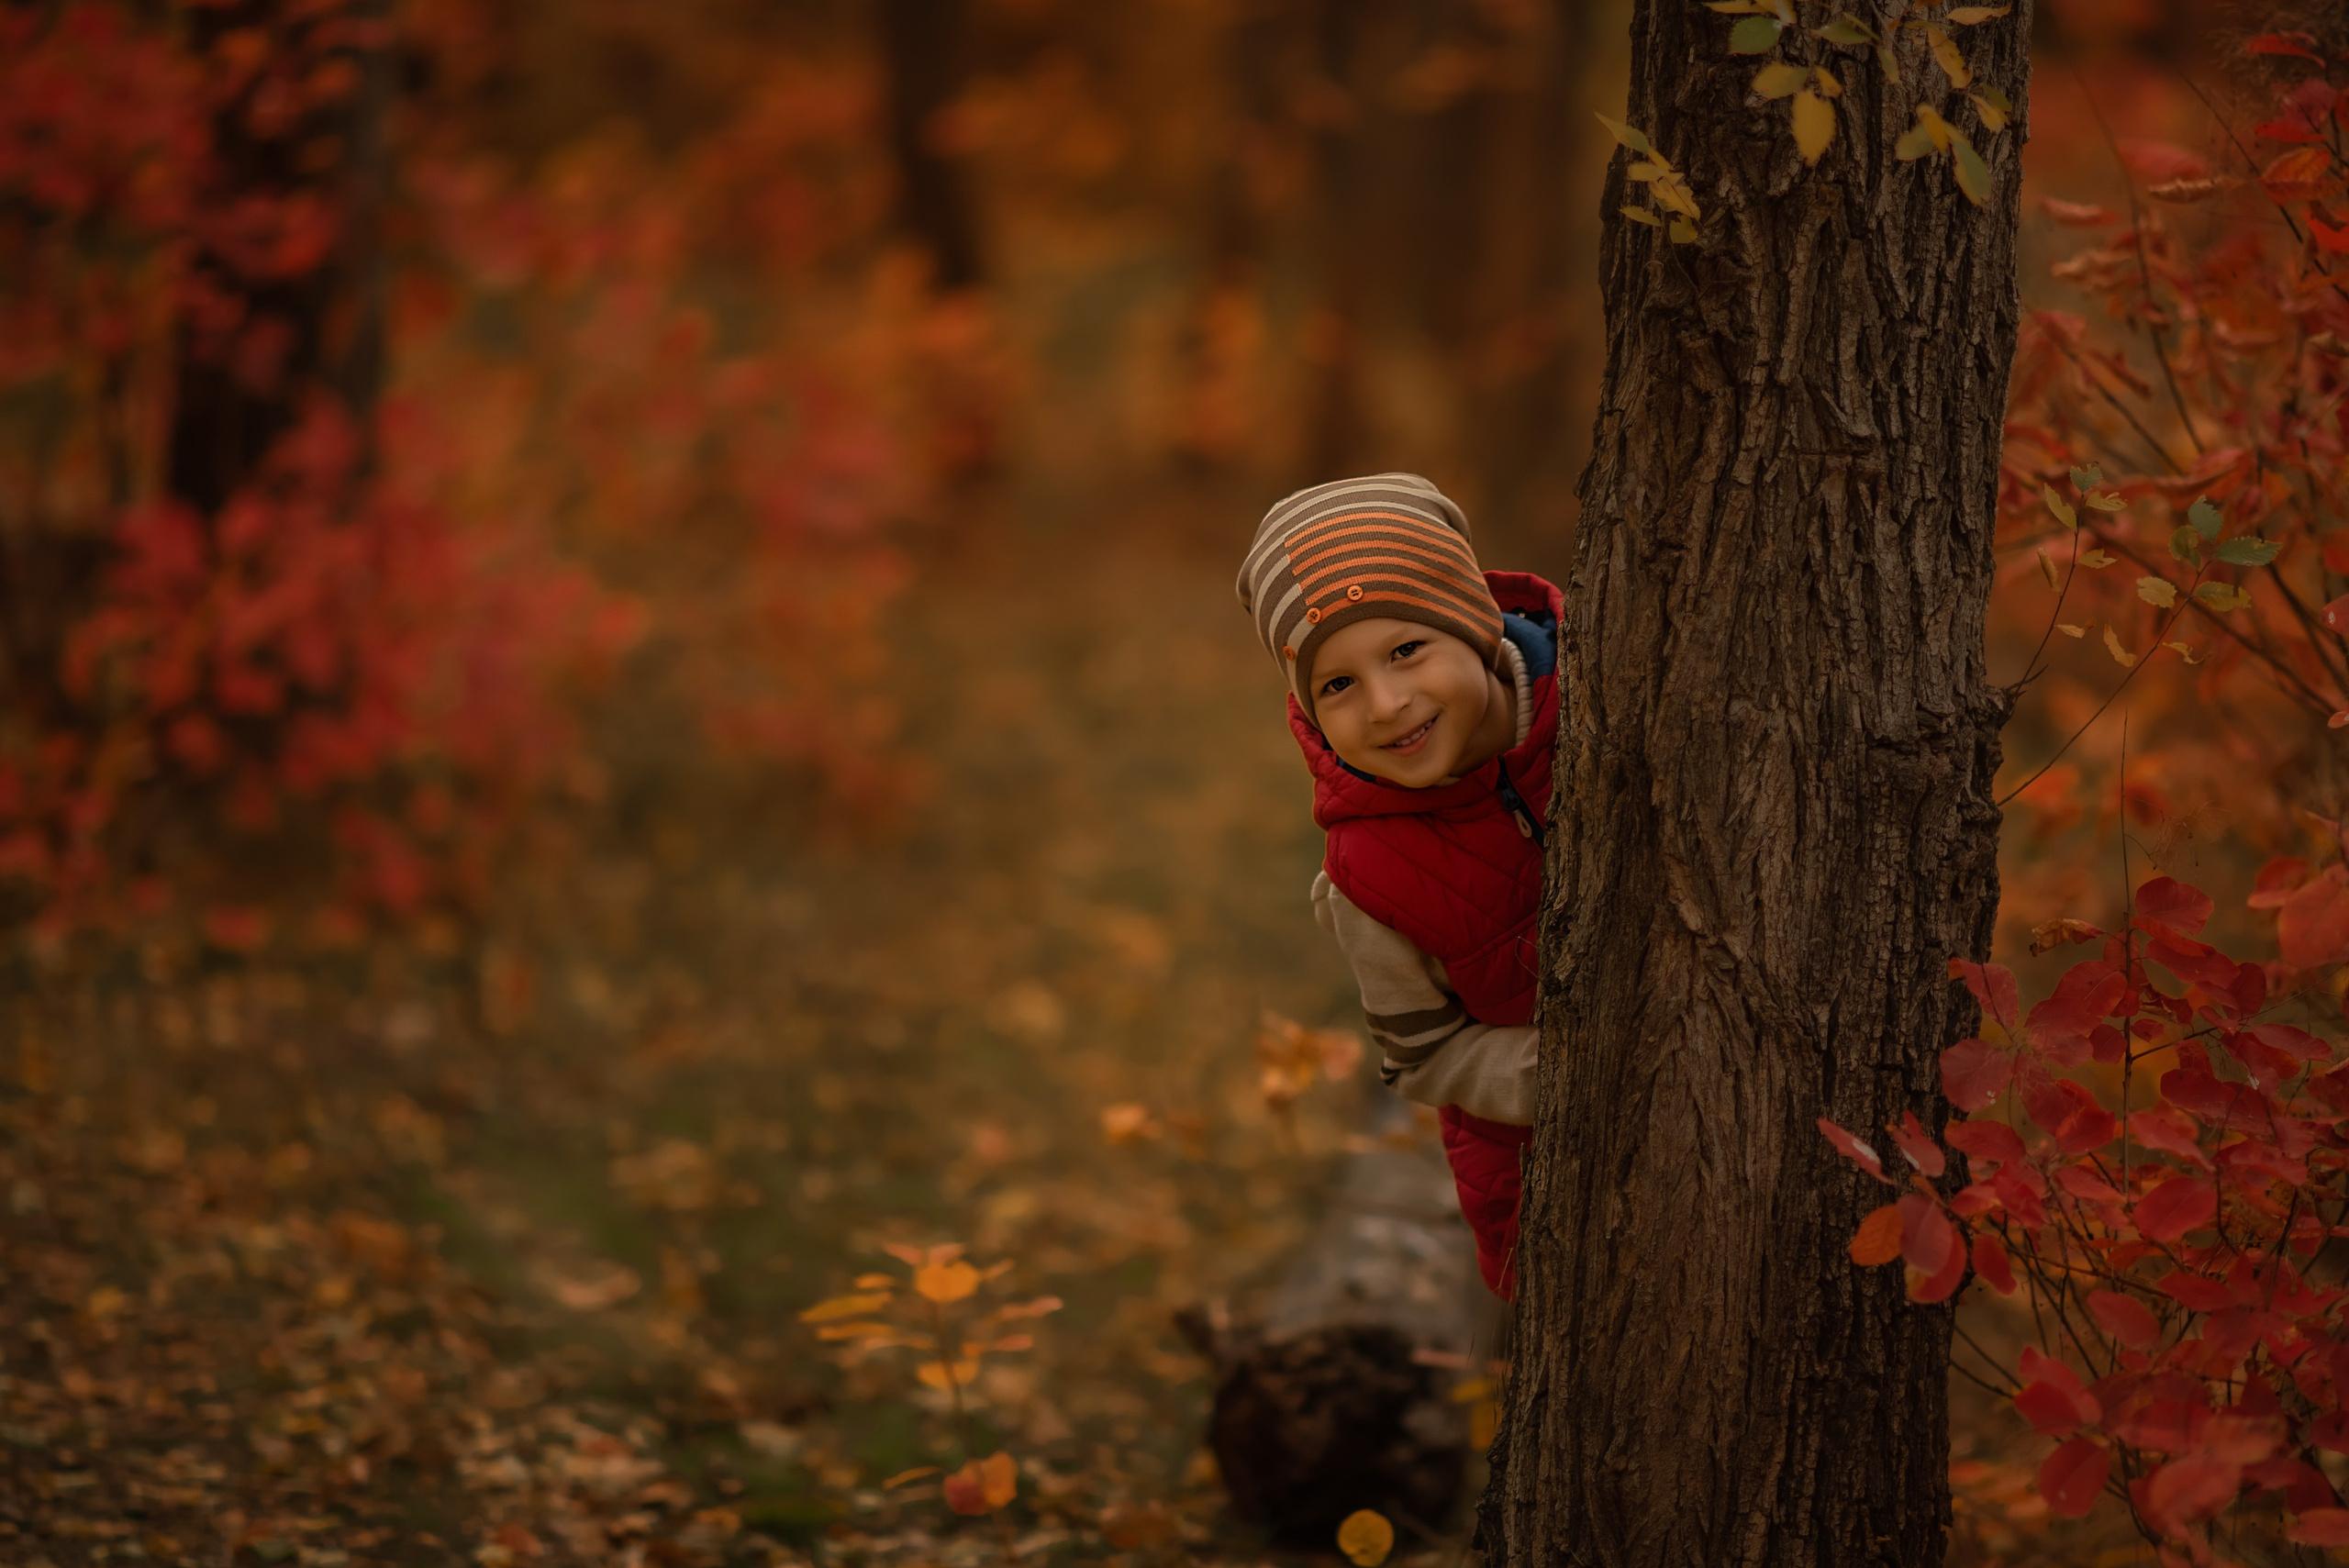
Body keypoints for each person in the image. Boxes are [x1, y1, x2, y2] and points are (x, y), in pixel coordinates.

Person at [1236, 473, 1557, 1299]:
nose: (1385, 703)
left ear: (1474, 623)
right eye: (1337, 685)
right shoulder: (1366, 877)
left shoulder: (1620, 703)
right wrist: (1561, 1073)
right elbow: (1422, 1053)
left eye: (1407, 649)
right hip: (1542, 1174)